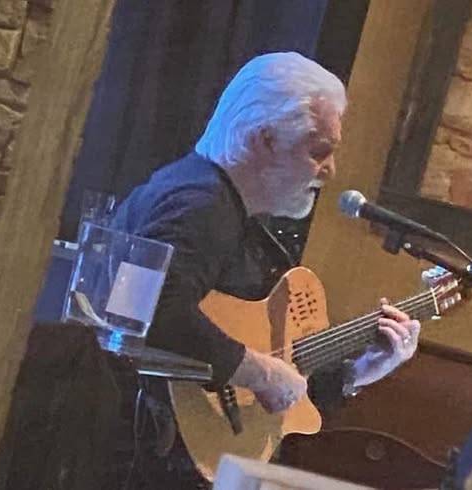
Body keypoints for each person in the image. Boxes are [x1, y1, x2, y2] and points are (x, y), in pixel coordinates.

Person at [106, 51, 422, 487]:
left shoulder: (217, 205)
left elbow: (276, 373)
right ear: (264, 139)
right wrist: (259, 371)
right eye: (318, 151)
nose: (329, 171)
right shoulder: (199, 204)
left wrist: (362, 370)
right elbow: (149, 309)